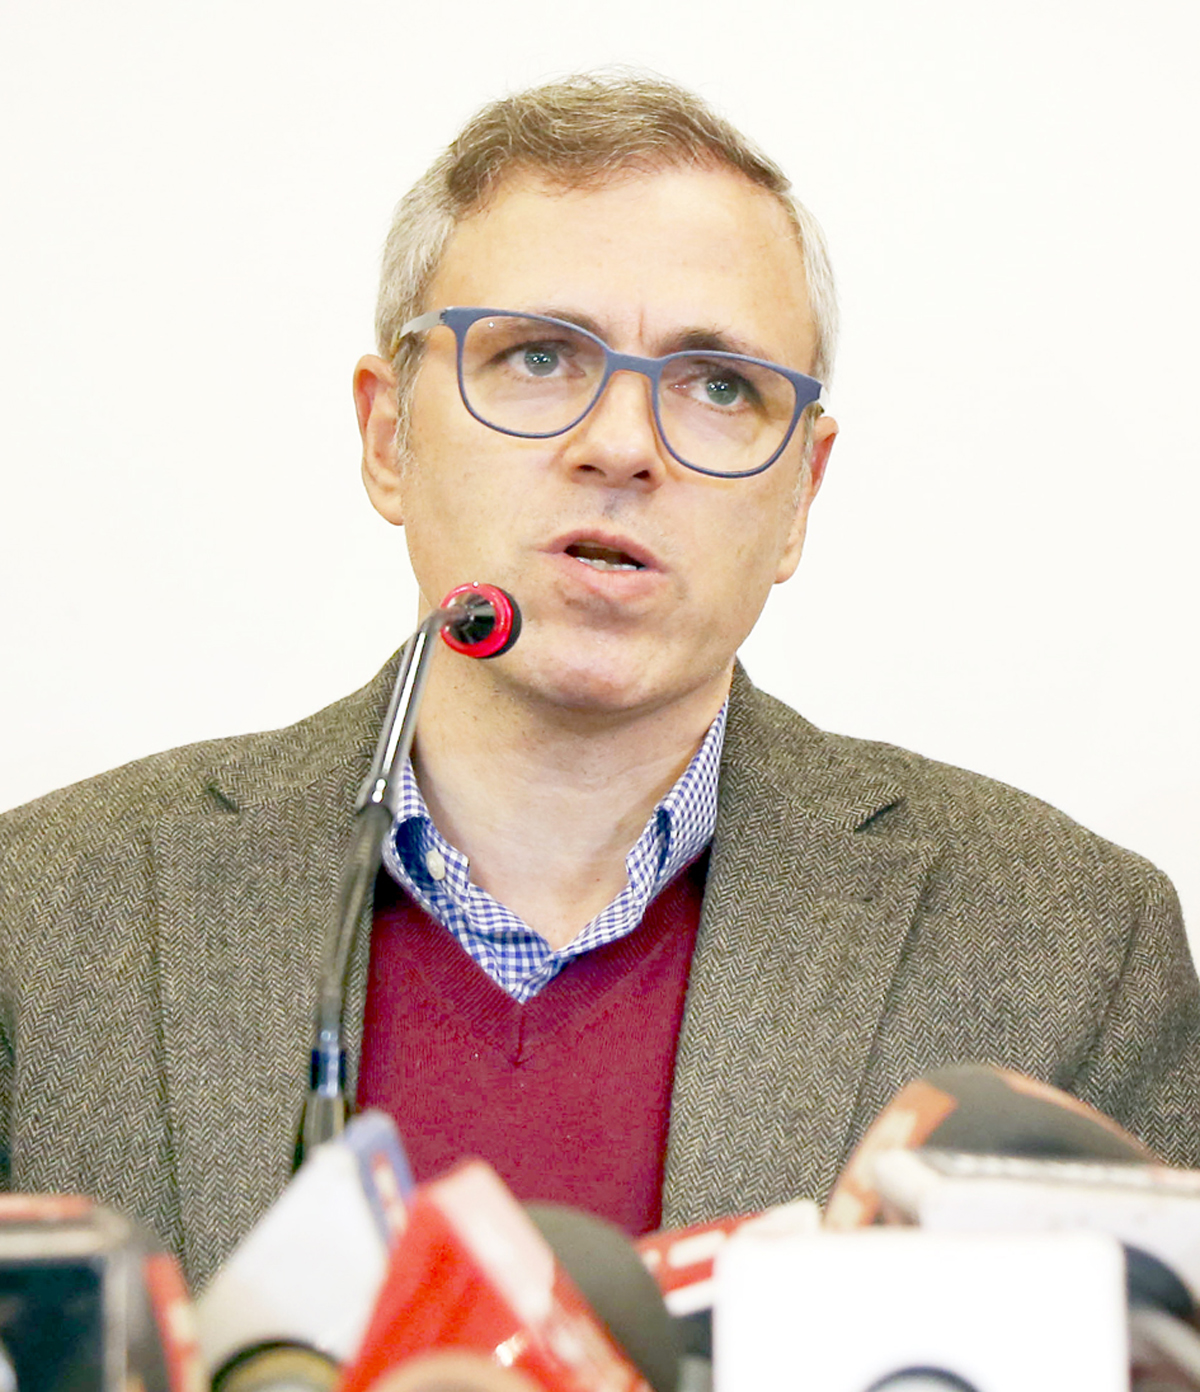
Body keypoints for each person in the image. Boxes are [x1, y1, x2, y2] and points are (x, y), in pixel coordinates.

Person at [2, 72, 1198, 1290]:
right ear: (388, 437)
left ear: (801, 494)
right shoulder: (38, 917)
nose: (622, 448)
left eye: (719, 385)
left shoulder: (1067, 951)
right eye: (537, 357)